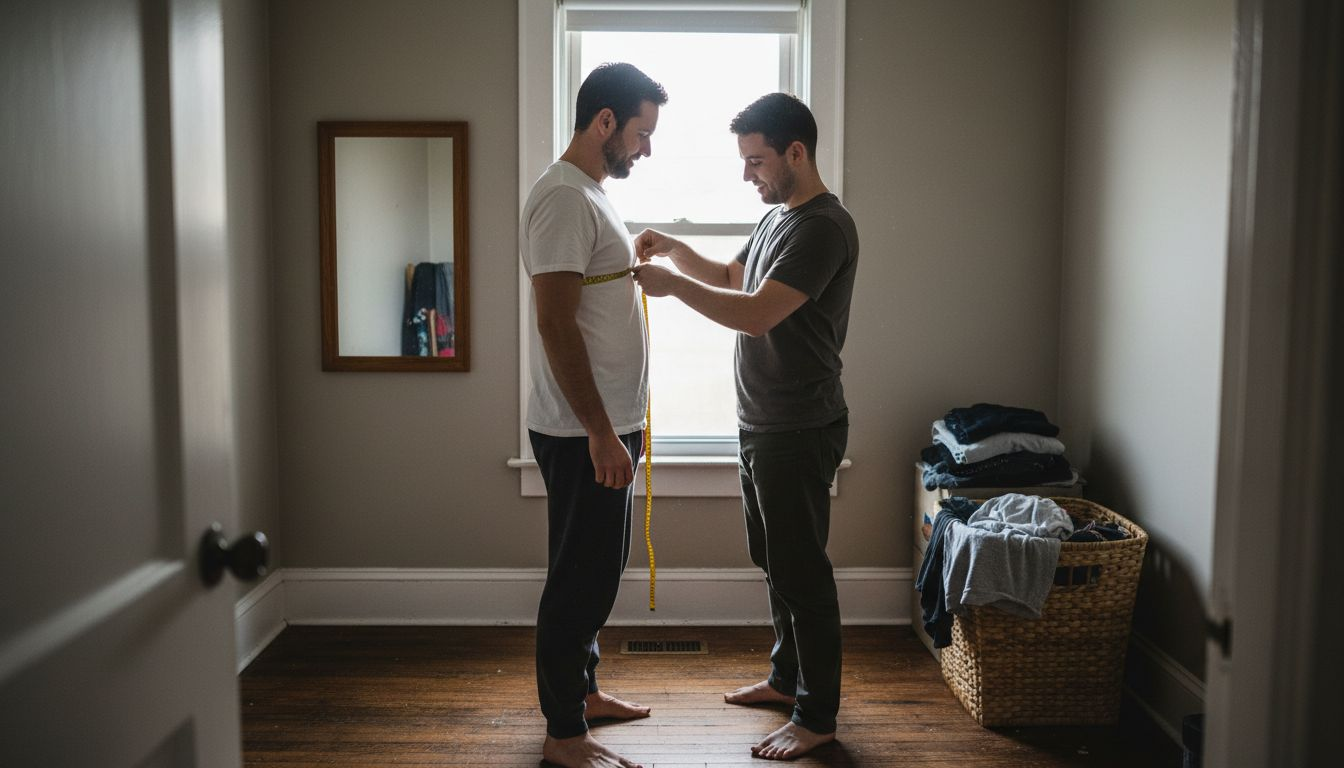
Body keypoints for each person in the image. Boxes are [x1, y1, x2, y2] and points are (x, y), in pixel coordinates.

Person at [632, 92, 859, 761]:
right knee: (774, 562)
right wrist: (676, 252)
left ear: (797, 152)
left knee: (802, 573)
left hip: (799, 426)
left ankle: (818, 716)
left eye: (756, 160)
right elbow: (735, 275)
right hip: (762, 423)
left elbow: (757, 313)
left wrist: (671, 289)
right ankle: (787, 681)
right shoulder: (779, 219)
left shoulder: (823, 227)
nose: (747, 175)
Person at [519, 62, 668, 768]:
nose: (645, 149)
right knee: (580, 578)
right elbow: (554, 322)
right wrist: (602, 433)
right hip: (586, 431)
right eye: (641, 134)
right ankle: (564, 733)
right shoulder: (562, 199)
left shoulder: (591, 195)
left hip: (605, 425)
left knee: (595, 571)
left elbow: (591, 291)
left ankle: (584, 694)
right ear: (603, 122)